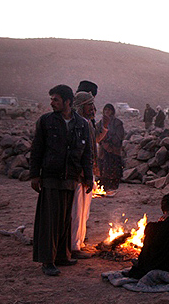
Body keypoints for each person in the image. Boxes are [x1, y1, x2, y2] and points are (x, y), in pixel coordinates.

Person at [30, 85, 93, 276]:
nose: (52, 103)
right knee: (49, 220)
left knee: (66, 218)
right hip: (50, 177)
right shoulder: (46, 122)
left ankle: (62, 256)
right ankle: (47, 260)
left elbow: (87, 153)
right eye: (51, 99)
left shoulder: (82, 124)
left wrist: (88, 177)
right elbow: (37, 149)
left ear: (67, 102)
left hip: (71, 177)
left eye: (56, 99)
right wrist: (34, 175)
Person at [69, 91, 97, 259]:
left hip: (87, 173)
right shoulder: (76, 125)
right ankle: (73, 246)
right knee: (76, 211)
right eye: (89, 105)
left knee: (84, 212)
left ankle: (78, 243)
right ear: (80, 106)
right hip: (77, 175)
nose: (93, 108)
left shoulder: (88, 124)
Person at [96, 103, 124, 196]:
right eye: (105, 110)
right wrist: (104, 143)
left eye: (109, 110)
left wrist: (110, 144)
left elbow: (119, 136)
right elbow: (97, 135)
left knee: (114, 169)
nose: (107, 112)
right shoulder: (100, 123)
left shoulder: (117, 123)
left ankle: (112, 189)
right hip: (103, 150)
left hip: (114, 150)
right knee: (102, 170)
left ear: (112, 111)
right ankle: (104, 188)